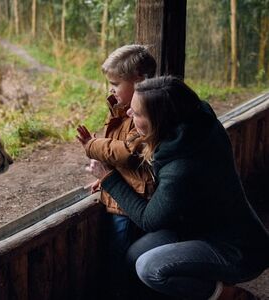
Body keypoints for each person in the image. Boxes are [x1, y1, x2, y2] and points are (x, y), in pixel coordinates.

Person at [90, 76, 269, 300]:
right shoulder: (198, 125)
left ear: (158, 121)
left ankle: (226, 294)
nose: (128, 114)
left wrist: (109, 179)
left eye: (136, 113)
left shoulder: (183, 166)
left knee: (149, 268)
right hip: (201, 227)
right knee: (135, 254)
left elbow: (149, 219)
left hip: (237, 250)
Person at [76, 44, 157, 298]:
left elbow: (127, 153)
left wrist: (92, 146)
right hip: (121, 196)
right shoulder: (124, 112)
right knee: (114, 257)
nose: (111, 89)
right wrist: (106, 179)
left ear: (140, 81)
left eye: (115, 83)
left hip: (131, 204)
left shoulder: (149, 115)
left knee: (123, 261)